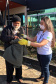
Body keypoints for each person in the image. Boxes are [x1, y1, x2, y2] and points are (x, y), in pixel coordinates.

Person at [18, 16, 55, 84]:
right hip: (39, 53)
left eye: (42, 23)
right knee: (41, 66)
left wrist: (27, 43)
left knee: (45, 68)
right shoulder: (40, 32)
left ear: (47, 24)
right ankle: (42, 76)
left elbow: (41, 44)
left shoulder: (49, 33)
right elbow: (33, 40)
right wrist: (26, 36)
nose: (40, 24)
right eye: (40, 23)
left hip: (46, 55)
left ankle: (45, 81)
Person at [1, 15, 25, 84]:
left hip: (18, 51)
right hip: (9, 50)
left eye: (18, 23)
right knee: (9, 65)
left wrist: (20, 38)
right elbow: (2, 38)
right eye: (15, 23)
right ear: (12, 23)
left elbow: (24, 37)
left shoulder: (21, 29)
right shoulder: (7, 29)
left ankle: (19, 77)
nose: (17, 25)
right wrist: (12, 37)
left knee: (18, 64)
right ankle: (9, 78)